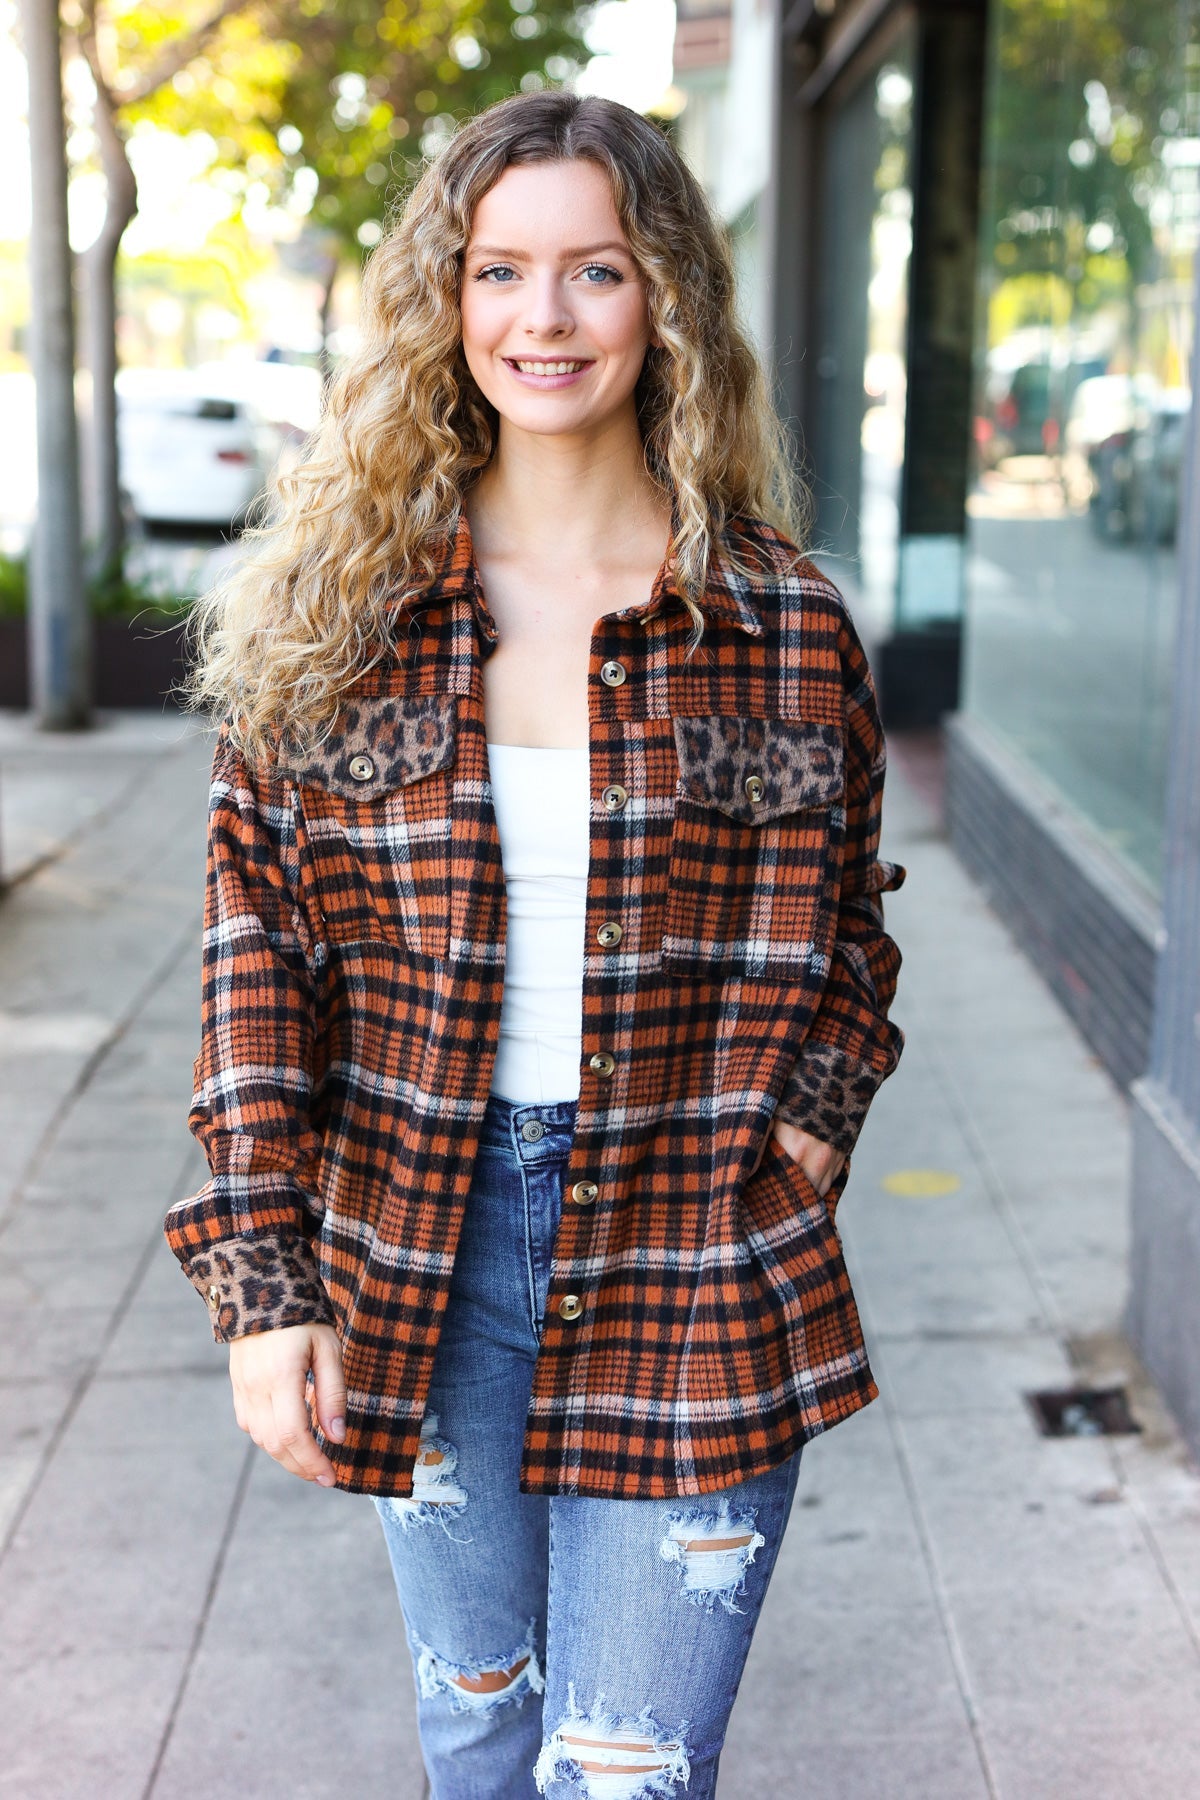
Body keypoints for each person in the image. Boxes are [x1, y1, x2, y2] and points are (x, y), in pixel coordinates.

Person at [166, 89, 906, 1800]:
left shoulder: (782, 621)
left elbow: (852, 931)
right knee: (484, 1730)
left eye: (596, 271)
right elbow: (253, 954)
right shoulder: (341, 614)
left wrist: (801, 1128)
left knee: (624, 1773)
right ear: (448, 298)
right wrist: (262, 1290)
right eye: (501, 271)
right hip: (415, 1243)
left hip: (692, 1242)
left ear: (668, 305)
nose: (543, 319)